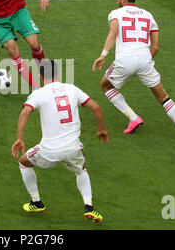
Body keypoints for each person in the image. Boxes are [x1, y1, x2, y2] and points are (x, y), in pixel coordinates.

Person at [92, 0, 175, 143]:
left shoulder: (116, 13)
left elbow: (113, 32)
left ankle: (133, 118)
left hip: (124, 60)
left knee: (105, 85)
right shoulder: (148, 15)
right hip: (145, 59)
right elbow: (156, 46)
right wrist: (142, 63)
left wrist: (103, 54)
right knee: (163, 96)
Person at [11, 60, 109, 222]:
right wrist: (101, 129)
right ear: (57, 74)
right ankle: (89, 207)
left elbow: (25, 112)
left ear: (41, 77)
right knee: (81, 169)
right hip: (73, 148)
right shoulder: (72, 89)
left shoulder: (39, 94)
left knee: (23, 162)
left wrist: (20, 138)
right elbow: (96, 107)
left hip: (49, 150)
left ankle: (37, 202)